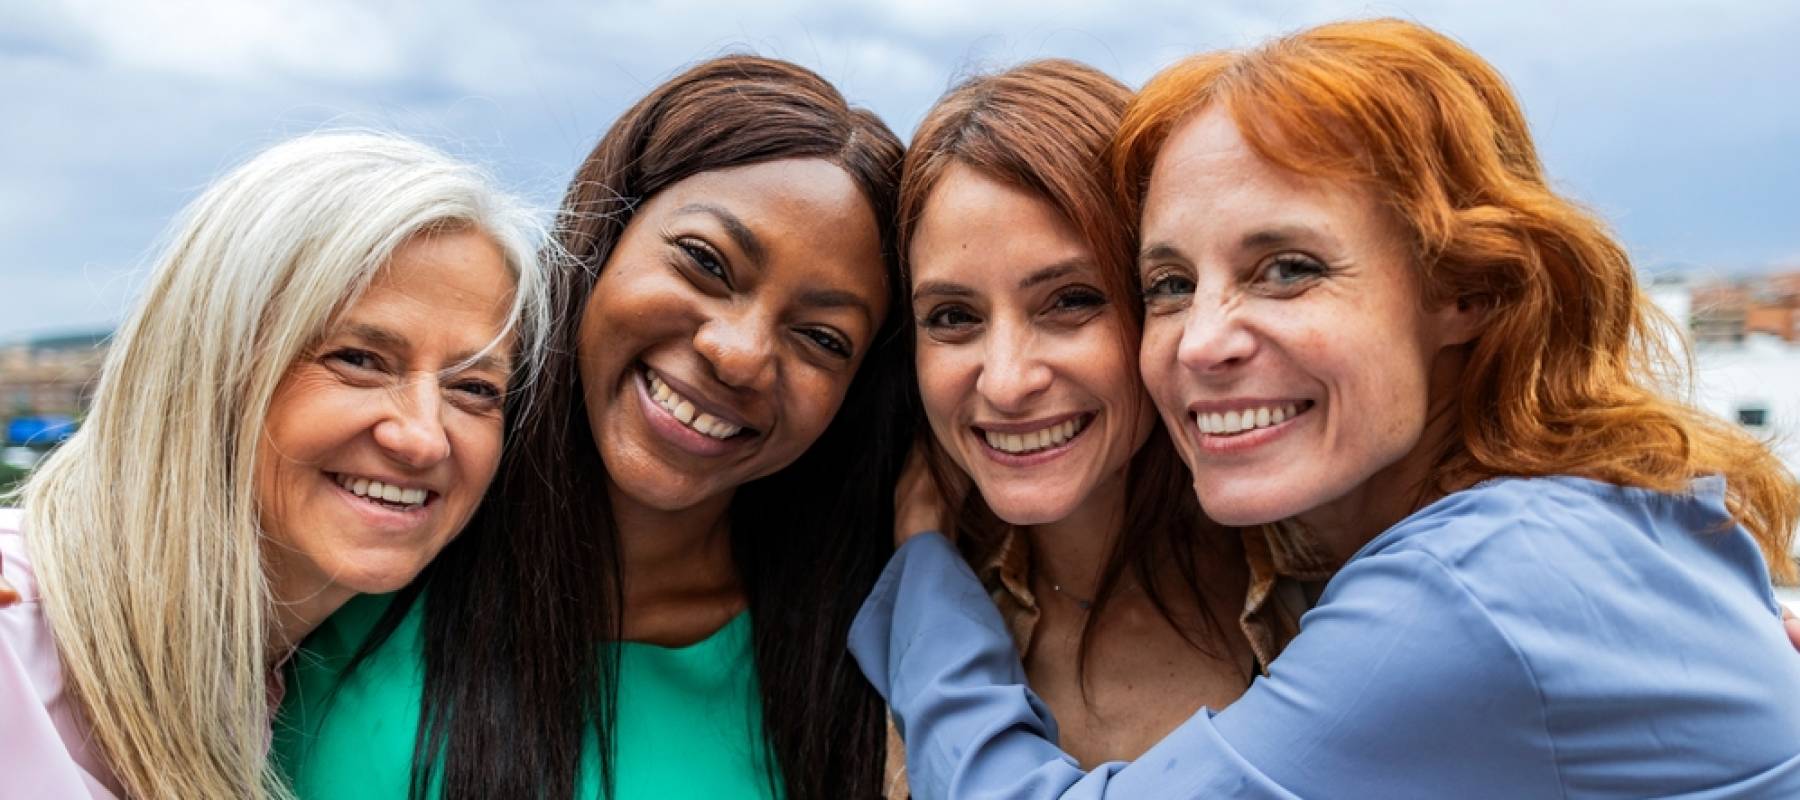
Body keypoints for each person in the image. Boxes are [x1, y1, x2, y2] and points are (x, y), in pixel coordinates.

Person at [851, 18, 1800, 799]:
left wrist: (924, 581)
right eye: (1174, 283)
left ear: (1465, 290)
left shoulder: (1466, 589)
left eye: (1290, 269)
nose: (1203, 339)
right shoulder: (1546, 545)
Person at [274, 56, 912, 799]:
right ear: (600, 237)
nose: (739, 355)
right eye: (705, 262)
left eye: (824, 338)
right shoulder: (367, 533)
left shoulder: (866, 668)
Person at [0, 131, 549, 799]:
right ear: (208, 364)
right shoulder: (16, 637)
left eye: (476, 389)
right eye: (358, 359)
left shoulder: (266, 678)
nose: (423, 438)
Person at [884, 59, 1326, 794]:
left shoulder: (1339, 581)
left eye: (1070, 301)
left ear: (1166, 301)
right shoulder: (877, 604)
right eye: (953, 318)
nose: (1007, 379)